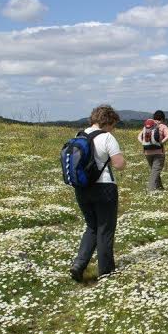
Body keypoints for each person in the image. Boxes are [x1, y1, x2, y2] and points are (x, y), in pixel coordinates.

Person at [70, 105, 126, 282]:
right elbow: (119, 164)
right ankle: (106, 272)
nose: (113, 128)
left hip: (82, 188)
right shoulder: (107, 137)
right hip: (104, 188)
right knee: (105, 229)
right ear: (107, 122)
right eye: (113, 124)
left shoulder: (79, 136)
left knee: (92, 226)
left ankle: (79, 264)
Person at [137, 110, 168, 192]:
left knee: (155, 170)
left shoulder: (148, 126)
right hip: (159, 152)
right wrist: (160, 143)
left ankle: (160, 188)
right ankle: (150, 191)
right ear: (163, 118)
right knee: (155, 172)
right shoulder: (162, 126)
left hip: (147, 152)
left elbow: (138, 137)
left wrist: (144, 144)